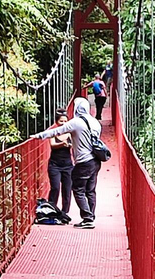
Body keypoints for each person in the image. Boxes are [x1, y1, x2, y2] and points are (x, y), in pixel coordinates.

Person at [31, 98, 103, 229]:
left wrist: (39, 135)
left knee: (78, 189)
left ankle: (87, 219)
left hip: (83, 161)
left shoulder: (76, 122)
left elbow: (57, 131)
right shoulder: (95, 122)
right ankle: (91, 216)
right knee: (90, 190)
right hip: (96, 161)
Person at [47, 110, 73, 215]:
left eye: (65, 121)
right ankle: (51, 210)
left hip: (68, 165)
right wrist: (63, 144)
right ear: (56, 122)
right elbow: (52, 145)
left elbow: (75, 145)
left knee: (67, 190)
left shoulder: (71, 133)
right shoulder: (53, 132)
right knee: (55, 188)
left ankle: (64, 213)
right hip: (54, 165)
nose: (63, 123)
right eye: (61, 121)